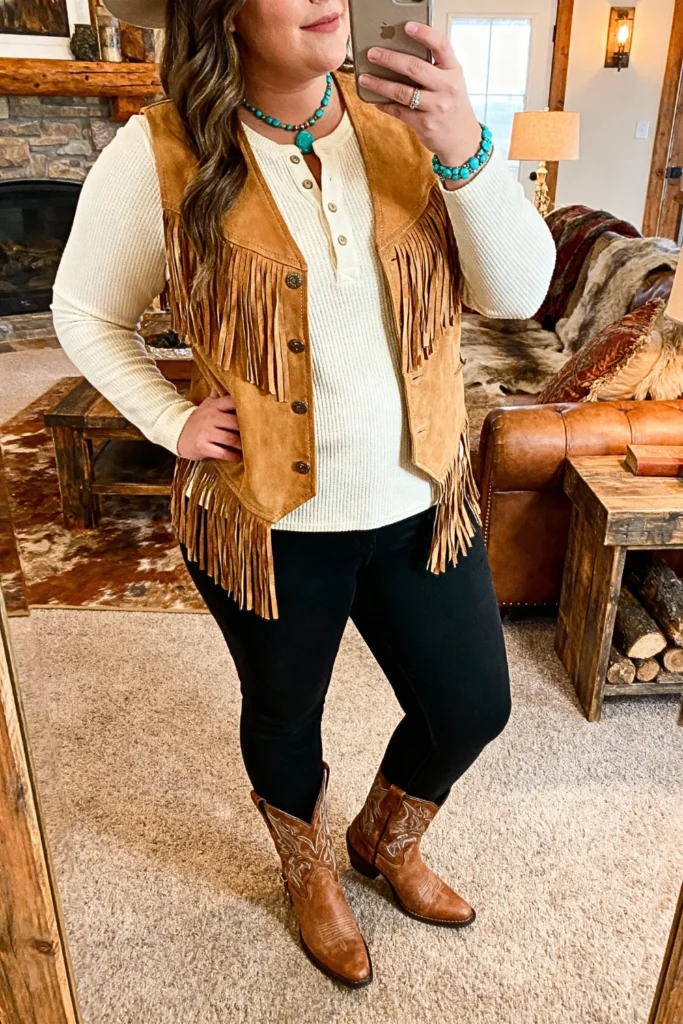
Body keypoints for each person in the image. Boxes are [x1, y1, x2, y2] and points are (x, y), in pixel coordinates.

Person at [51, 0, 557, 990]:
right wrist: (169, 419)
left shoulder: (411, 123)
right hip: (265, 521)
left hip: (421, 498)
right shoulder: (159, 152)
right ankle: (307, 870)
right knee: (286, 714)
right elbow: (84, 312)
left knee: (470, 705)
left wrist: (463, 147)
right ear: (226, 13)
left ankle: (382, 839)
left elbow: (517, 293)